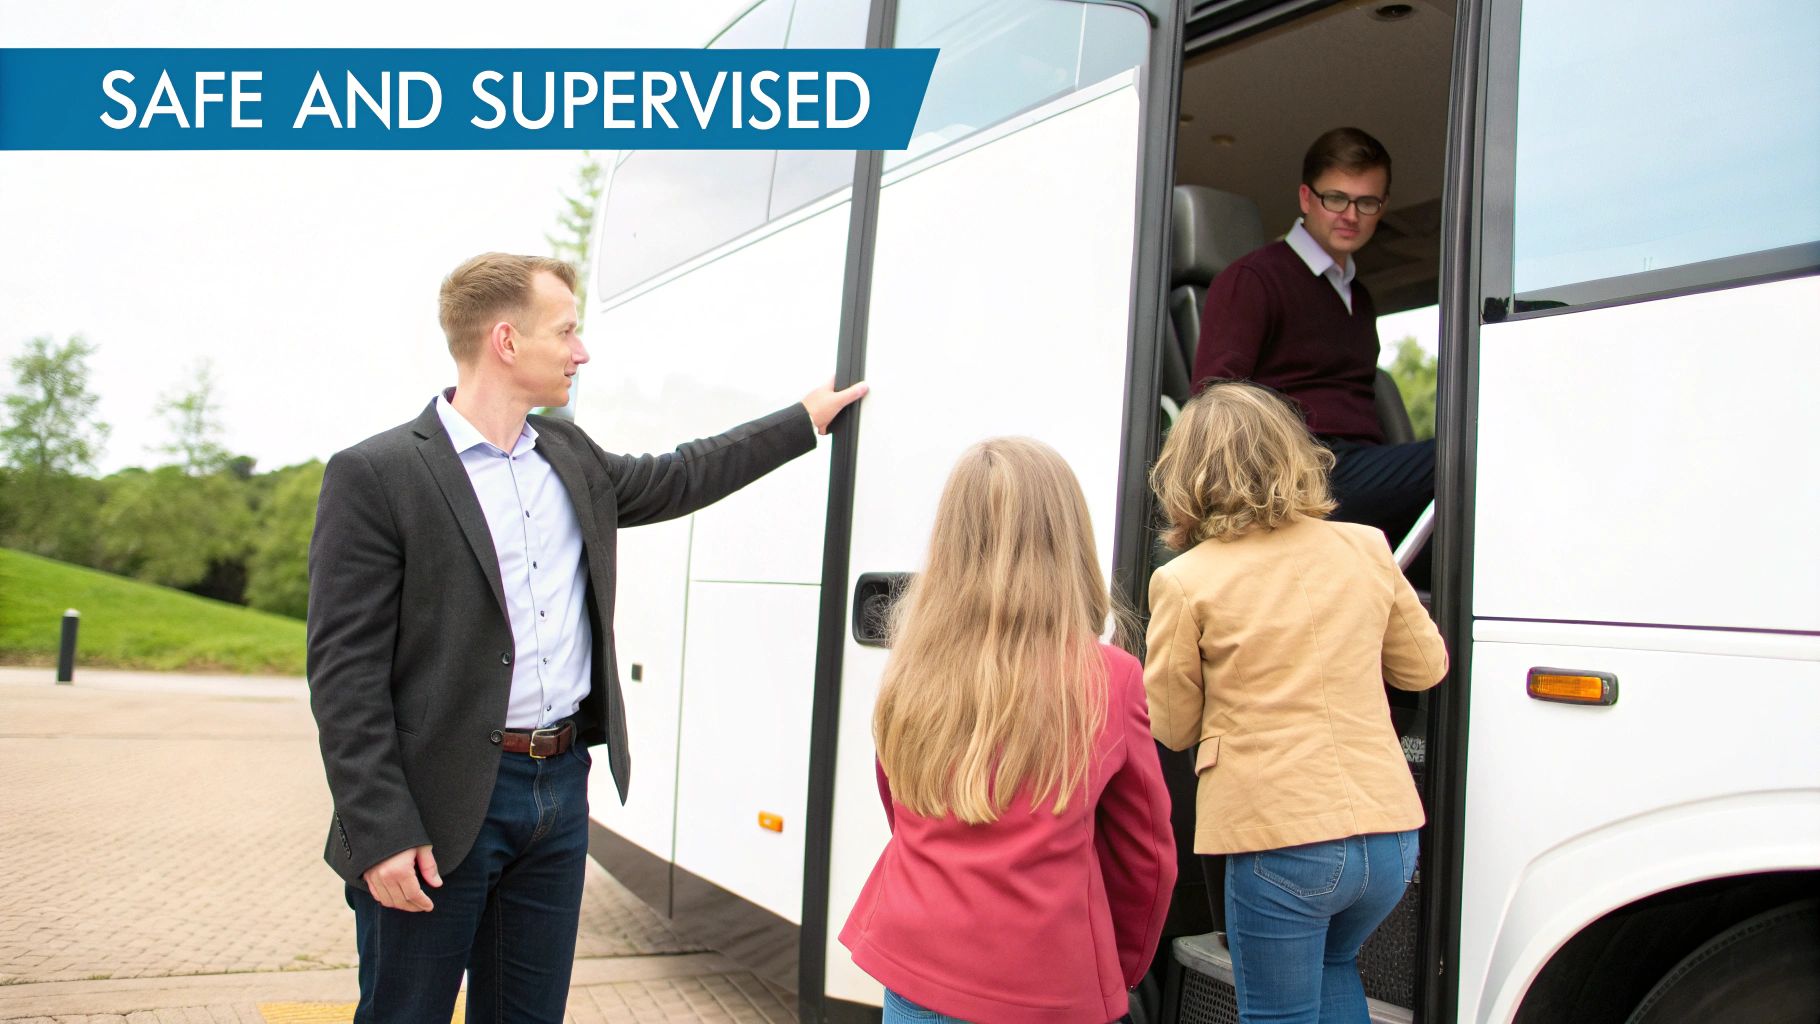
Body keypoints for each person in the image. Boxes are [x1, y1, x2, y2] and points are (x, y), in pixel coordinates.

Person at [305, 251, 866, 1023]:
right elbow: (344, 676)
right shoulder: (377, 474)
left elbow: (681, 475)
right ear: (506, 341)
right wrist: (380, 832)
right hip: (435, 809)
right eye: (566, 331)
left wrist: (802, 422)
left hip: (558, 791)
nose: (581, 350)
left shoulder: (570, 457)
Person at [840, 438, 1177, 1024]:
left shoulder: (912, 665)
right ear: (1070, 542)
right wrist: (1111, 968)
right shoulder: (1112, 679)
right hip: (1047, 987)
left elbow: (902, 804)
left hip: (914, 975)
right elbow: (1145, 862)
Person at [1143, 381, 1447, 1024]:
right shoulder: (1365, 546)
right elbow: (1423, 669)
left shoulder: (1183, 580)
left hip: (1280, 840)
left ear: (1187, 474)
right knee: (1336, 970)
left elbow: (1170, 727)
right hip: (1389, 840)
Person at [1191, 127, 1433, 575]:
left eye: (1367, 202)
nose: (1350, 215)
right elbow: (1214, 400)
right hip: (1302, 470)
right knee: (1462, 455)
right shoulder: (1254, 279)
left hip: (1357, 469)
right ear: (1306, 198)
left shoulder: (1359, 298)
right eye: (1335, 198)